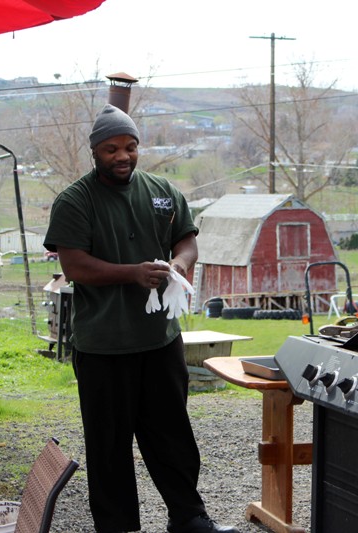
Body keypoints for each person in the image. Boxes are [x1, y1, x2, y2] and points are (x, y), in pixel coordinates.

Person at [43, 104, 240, 533]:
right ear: (95, 151)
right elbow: (74, 265)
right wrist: (132, 273)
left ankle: (188, 517)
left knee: (173, 436)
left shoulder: (162, 191)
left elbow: (186, 241)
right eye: (111, 148)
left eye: (130, 147)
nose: (122, 156)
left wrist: (181, 265)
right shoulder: (75, 201)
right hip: (103, 345)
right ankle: (117, 527)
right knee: (108, 446)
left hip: (159, 341)